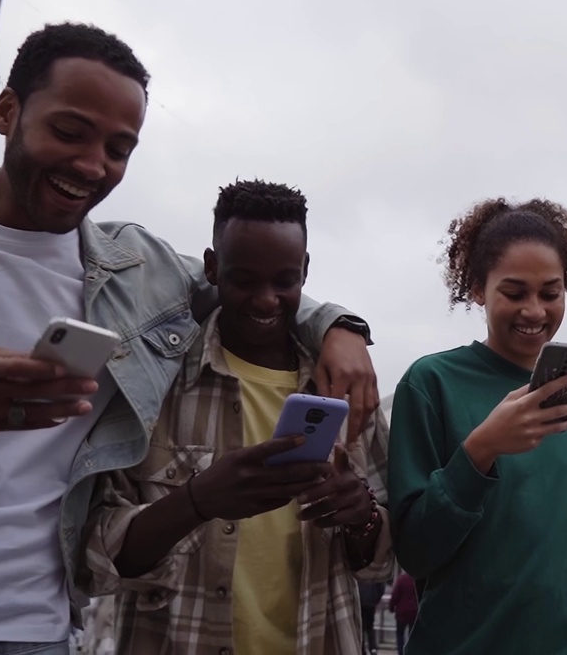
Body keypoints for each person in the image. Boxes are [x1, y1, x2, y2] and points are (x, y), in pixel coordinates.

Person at [0, 23, 376, 655]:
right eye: (69, 132)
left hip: (37, 632)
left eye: (120, 149)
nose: (92, 165)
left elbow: (256, 286)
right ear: (8, 110)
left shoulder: (139, 271)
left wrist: (341, 329)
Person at [83, 181, 392, 655]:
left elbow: (382, 563)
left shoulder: (345, 388)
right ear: (211, 267)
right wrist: (197, 501)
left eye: (284, 281)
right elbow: (98, 556)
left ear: (306, 271)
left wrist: (363, 516)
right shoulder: (156, 382)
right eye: (245, 280)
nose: (266, 299)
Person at [387, 197, 567, 655]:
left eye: (550, 293)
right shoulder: (430, 383)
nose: (535, 310)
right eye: (515, 293)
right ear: (477, 288)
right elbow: (414, 550)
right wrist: (480, 451)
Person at [389, 571, 418, 654]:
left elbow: (395, 595)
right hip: (414, 612)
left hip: (402, 612)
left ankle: (401, 652)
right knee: (412, 635)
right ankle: (411, 652)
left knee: (400, 634)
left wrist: (391, 607)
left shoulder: (401, 580)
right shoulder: (417, 580)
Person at [358, 582, 385, 655]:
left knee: (361, 628)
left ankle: (361, 649)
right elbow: (381, 587)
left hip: (360, 602)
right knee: (370, 627)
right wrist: (375, 600)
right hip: (370, 603)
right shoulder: (373, 574)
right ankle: (373, 648)